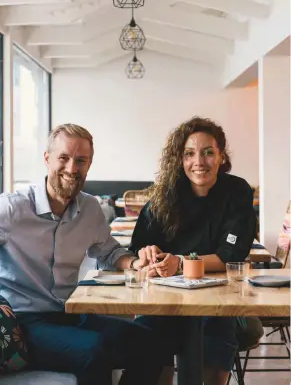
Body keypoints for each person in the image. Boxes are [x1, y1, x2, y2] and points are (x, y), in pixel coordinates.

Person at [0, 123, 169, 385]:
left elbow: (110, 252)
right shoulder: (12, 208)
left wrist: (136, 262)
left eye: (80, 160)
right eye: (64, 158)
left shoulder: (90, 208)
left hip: (70, 314)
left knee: (151, 343)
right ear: (47, 159)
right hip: (24, 323)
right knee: (94, 350)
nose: (71, 168)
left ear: (89, 164)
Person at [128, 116, 262, 385]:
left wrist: (179, 263)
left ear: (221, 156)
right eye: (189, 154)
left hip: (225, 301)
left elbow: (230, 257)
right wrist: (149, 254)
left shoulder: (237, 191)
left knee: (216, 324)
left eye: (208, 152)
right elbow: (138, 250)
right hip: (166, 300)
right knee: (151, 328)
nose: (199, 162)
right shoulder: (165, 195)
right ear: (180, 159)